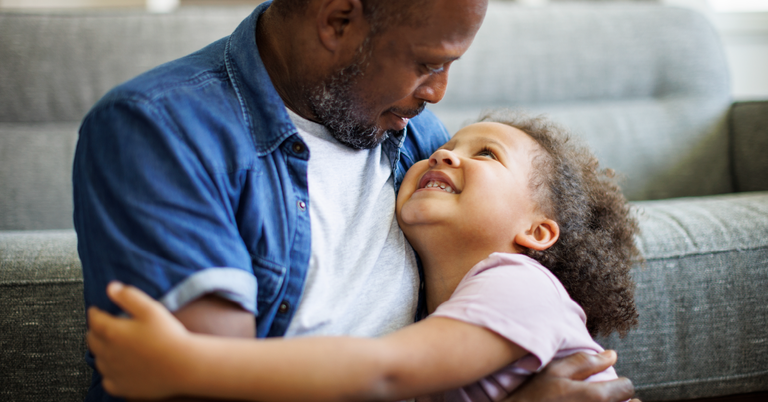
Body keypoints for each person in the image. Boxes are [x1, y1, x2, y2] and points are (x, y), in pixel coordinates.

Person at [87, 111, 641, 402]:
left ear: (537, 232)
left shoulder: (516, 286)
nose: (444, 149)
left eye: (486, 154)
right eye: (455, 143)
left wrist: (185, 364)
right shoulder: (451, 308)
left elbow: (383, 370)